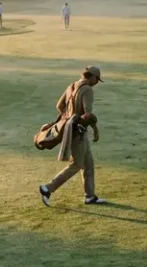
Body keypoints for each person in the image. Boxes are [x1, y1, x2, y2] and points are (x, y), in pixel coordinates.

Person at [39, 66, 107, 206]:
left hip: (71, 128)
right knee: (76, 164)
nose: (97, 83)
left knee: (88, 163)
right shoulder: (87, 89)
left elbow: (59, 105)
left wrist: (68, 116)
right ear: (92, 77)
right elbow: (87, 114)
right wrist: (95, 129)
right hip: (78, 131)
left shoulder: (72, 86)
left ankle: (90, 196)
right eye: (97, 79)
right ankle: (48, 188)